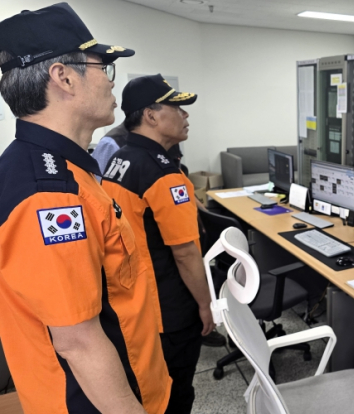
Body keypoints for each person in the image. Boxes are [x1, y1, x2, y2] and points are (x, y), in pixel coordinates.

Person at [0, 4, 171, 413]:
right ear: (63, 77)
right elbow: (78, 342)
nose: (112, 82)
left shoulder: (64, 168)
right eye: (103, 67)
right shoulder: (50, 196)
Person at [101, 74, 215, 413]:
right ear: (151, 116)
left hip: (135, 299)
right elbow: (185, 253)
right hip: (169, 309)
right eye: (177, 108)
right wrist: (205, 305)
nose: (185, 115)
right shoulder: (163, 174)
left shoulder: (121, 160)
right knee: (176, 393)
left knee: (152, 389)